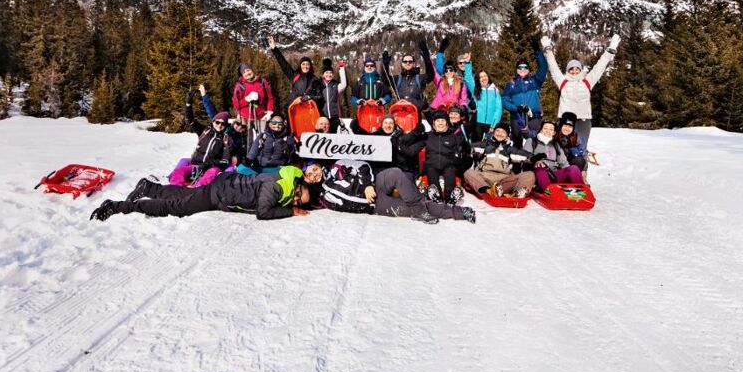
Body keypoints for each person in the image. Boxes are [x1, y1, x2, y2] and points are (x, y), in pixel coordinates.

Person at [89, 166, 312, 222]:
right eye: (298, 196)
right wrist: (290, 211)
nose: (295, 200)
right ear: (297, 187)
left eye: (298, 202)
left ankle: (148, 187)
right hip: (220, 193)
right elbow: (263, 212)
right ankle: (117, 206)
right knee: (176, 208)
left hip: (223, 186)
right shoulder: (278, 188)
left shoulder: (284, 178)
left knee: (185, 193)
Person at [314, 159, 475, 224]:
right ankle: (459, 212)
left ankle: (419, 208)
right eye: (310, 175)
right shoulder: (322, 197)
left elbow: (361, 165)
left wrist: (367, 185)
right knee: (414, 207)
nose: (314, 174)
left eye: (314, 169)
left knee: (396, 173)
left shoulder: (337, 166)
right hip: (376, 206)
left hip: (375, 183)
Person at [541, 33, 619, 153]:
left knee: (581, 146)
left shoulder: (587, 82)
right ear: (568, 71)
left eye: (577, 68)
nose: (574, 71)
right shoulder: (563, 82)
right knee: (562, 146)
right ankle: (561, 169)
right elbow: (553, 67)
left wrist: (609, 51)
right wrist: (548, 50)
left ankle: (582, 170)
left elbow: (599, 67)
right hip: (565, 118)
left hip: (583, 119)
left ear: (581, 70)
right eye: (571, 69)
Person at [463, 123, 535, 197]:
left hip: (504, 181)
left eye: (503, 132)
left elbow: (525, 156)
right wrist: (466, 148)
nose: (500, 134)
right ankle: (488, 191)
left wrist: (536, 158)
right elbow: (471, 148)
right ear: (493, 132)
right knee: (468, 173)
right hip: (485, 178)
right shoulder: (485, 146)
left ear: (507, 135)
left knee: (529, 174)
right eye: (498, 131)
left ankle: (518, 193)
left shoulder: (510, 150)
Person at [501, 51, 548, 149]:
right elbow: (504, 100)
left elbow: (543, 68)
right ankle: (516, 161)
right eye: (520, 67)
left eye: (525, 67)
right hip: (517, 117)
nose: (522, 69)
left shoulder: (535, 81)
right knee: (517, 143)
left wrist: (537, 52)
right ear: (516, 70)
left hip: (534, 117)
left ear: (529, 70)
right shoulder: (511, 84)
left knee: (533, 141)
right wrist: (516, 108)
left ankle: (533, 161)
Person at [422, 109, 470, 204]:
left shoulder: (453, 137)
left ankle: (450, 198)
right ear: (433, 123)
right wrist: (416, 132)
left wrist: (461, 151)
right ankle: (437, 197)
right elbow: (413, 148)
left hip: (448, 164)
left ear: (447, 123)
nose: (440, 123)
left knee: (450, 177)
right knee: (432, 178)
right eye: (438, 121)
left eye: (443, 121)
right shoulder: (427, 136)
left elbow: (466, 150)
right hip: (431, 164)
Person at [268, 35, 324, 113]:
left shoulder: (314, 79)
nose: (305, 66)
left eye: (307, 64)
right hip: (294, 108)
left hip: (309, 110)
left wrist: (308, 97)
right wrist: (275, 49)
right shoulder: (294, 75)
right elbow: (283, 64)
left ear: (310, 66)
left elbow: (320, 97)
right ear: (300, 65)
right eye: (303, 64)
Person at [381, 40, 435, 112]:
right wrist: (385, 65)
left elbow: (430, 76)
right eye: (405, 61)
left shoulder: (419, 78)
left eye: (410, 61)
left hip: (416, 115)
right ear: (402, 63)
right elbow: (385, 79)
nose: (408, 63)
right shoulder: (397, 79)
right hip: (400, 114)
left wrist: (427, 59)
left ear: (413, 64)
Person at [533, 119, 585, 192]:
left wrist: (569, 172)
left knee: (573, 168)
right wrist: (535, 160)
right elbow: (526, 156)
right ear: (540, 130)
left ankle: (581, 191)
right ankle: (550, 192)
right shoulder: (532, 141)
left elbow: (563, 162)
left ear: (554, 133)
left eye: (551, 129)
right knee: (540, 167)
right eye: (545, 128)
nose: (548, 131)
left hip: (553, 174)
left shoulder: (555, 144)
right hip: (538, 173)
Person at [317, 58, 348, 128]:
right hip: (323, 116)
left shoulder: (335, 85)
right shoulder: (319, 85)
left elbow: (344, 84)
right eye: (326, 73)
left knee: (333, 135)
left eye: (331, 73)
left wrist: (342, 69)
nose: (329, 74)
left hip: (334, 116)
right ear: (323, 74)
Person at [472, 69, 503, 137]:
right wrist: (467, 63)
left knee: (490, 146)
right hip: (478, 123)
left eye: (485, 76)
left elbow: (498, 109)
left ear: (488, 77)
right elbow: (468, 78)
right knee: (476, 146)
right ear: (478, 79)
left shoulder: (495, 90)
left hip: (491, 124)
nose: (483, 78)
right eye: (481, 77)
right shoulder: (475, 89)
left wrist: (494, 125)